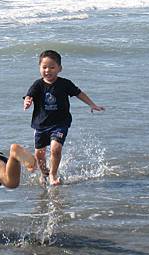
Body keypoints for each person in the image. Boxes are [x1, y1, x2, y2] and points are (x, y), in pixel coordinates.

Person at [23, 50, 104, 185]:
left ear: (60, 69)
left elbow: (79, 93)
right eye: (44, 67)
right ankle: (44, 173)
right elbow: (29, 95)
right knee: (39, 154)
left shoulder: (65, 84)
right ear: (39, 68)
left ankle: (53, 175)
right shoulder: (38, 84)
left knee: (56, 148)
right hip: (40, 124)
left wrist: (92, 104)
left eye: (52, 67)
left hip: (60, 123)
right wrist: (27, 101)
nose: (47, 70)